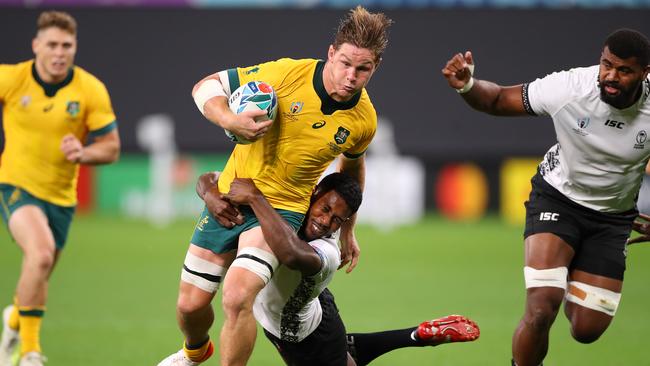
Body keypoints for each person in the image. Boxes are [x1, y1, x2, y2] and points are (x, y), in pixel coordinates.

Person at [159, 6, 393, 366]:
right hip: (230, 197)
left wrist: (348, 229)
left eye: (363, 69)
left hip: (281, 211)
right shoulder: (286, 74)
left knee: (238, 296)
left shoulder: (363, 118)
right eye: (345, 63)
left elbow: (352, 168)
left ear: (375, 66)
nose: (351, 76)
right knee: (190, 307)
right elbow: (205, 86)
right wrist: (230, 120)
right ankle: (195, 352)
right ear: (331, 53)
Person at [442, 29, 650, 366]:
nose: (610, 76)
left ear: (645, 72)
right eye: (606, 65)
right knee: (541, 308)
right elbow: (496, 100)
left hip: (611, 220)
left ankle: (572, 271)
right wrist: (468, 85)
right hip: (558, 200)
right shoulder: (571, 88)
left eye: (624, 70)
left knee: (587, 329)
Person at [198, 172, 479, 366]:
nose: (325, 222)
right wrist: (210, 195)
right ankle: (417, 336)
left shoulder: (329, 252)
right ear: (315, 192)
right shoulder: (291, 203)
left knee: (335, 354)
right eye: (324, 209)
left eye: (337, 220)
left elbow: (292, 254)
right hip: (313, 314)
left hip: (300, 335)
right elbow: (206, 179)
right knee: (339, 353)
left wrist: (257, 198)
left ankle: (417, 336)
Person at [0, 10, 120, 366]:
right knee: (40, 254)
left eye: (66, 45)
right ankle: (31, 352)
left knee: (38, 272)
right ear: (36, 45)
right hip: (16, 186)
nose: (59, 52)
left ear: (75, 47)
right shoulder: (12, 78)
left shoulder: (89, 89)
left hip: (62, 199)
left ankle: (11, 322)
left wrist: (83, 152)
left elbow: (111, 147)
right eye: (51, 44)